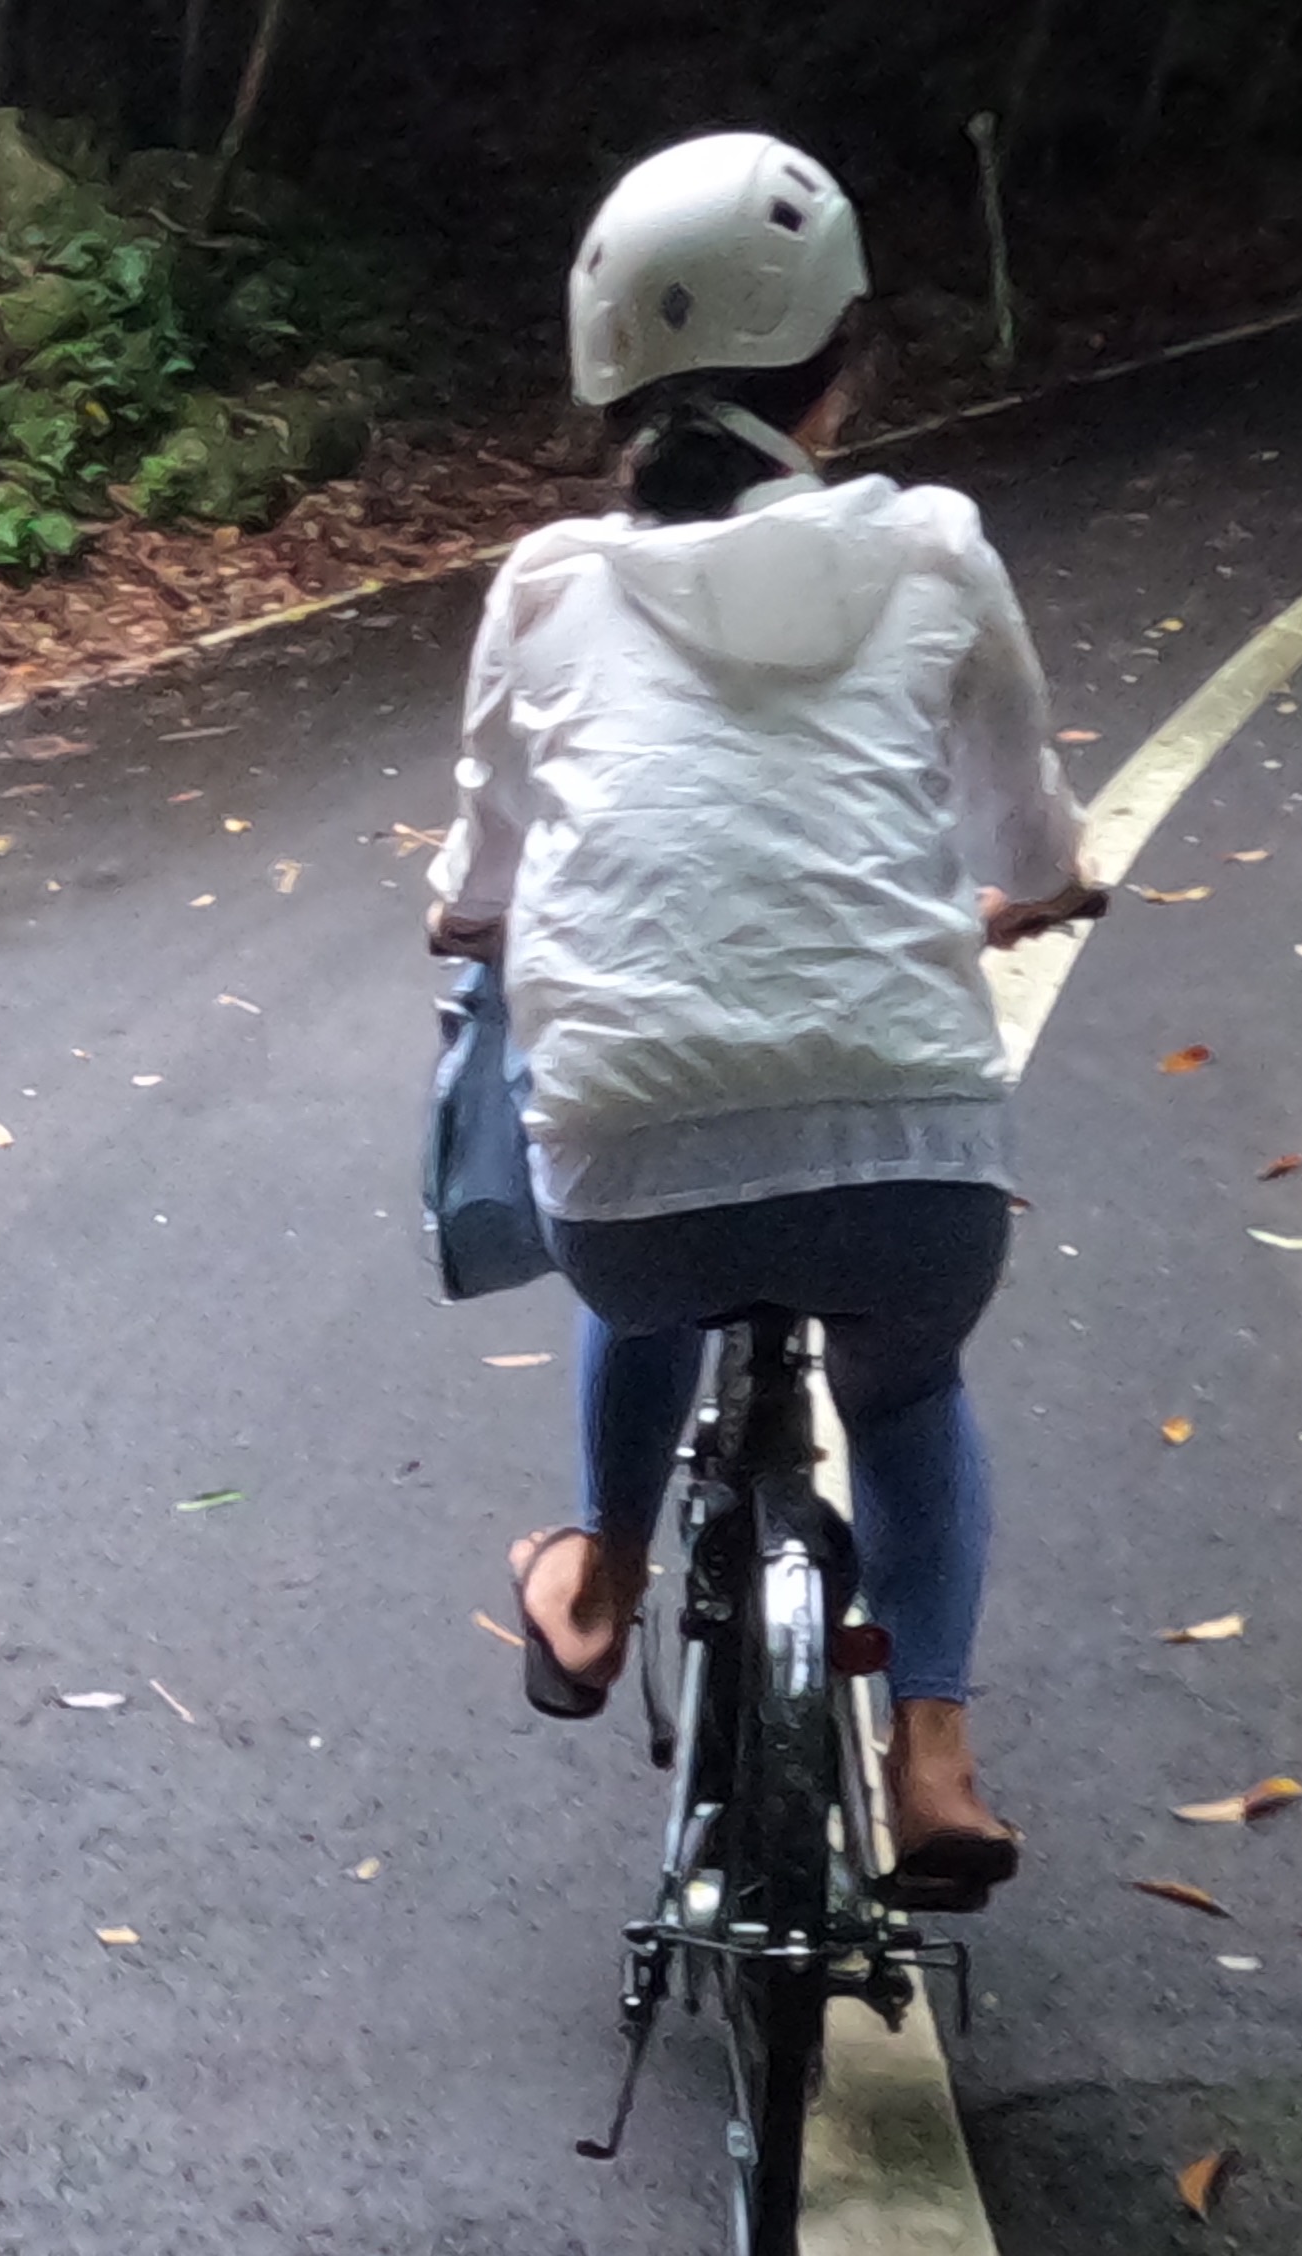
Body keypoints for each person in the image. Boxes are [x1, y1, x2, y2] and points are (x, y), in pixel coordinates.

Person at [427, 130, 1103, 1907]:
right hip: (909, 1161)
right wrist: (1035, 887)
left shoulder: (549, 587)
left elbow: (485, 862)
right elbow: (1025, 834)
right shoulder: (940, 553)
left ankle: (595, 1588)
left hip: (630, 1177)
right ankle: (937, 1759)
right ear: (838, 372)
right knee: (907, 1385)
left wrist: (469, 913)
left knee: (642, 1264)